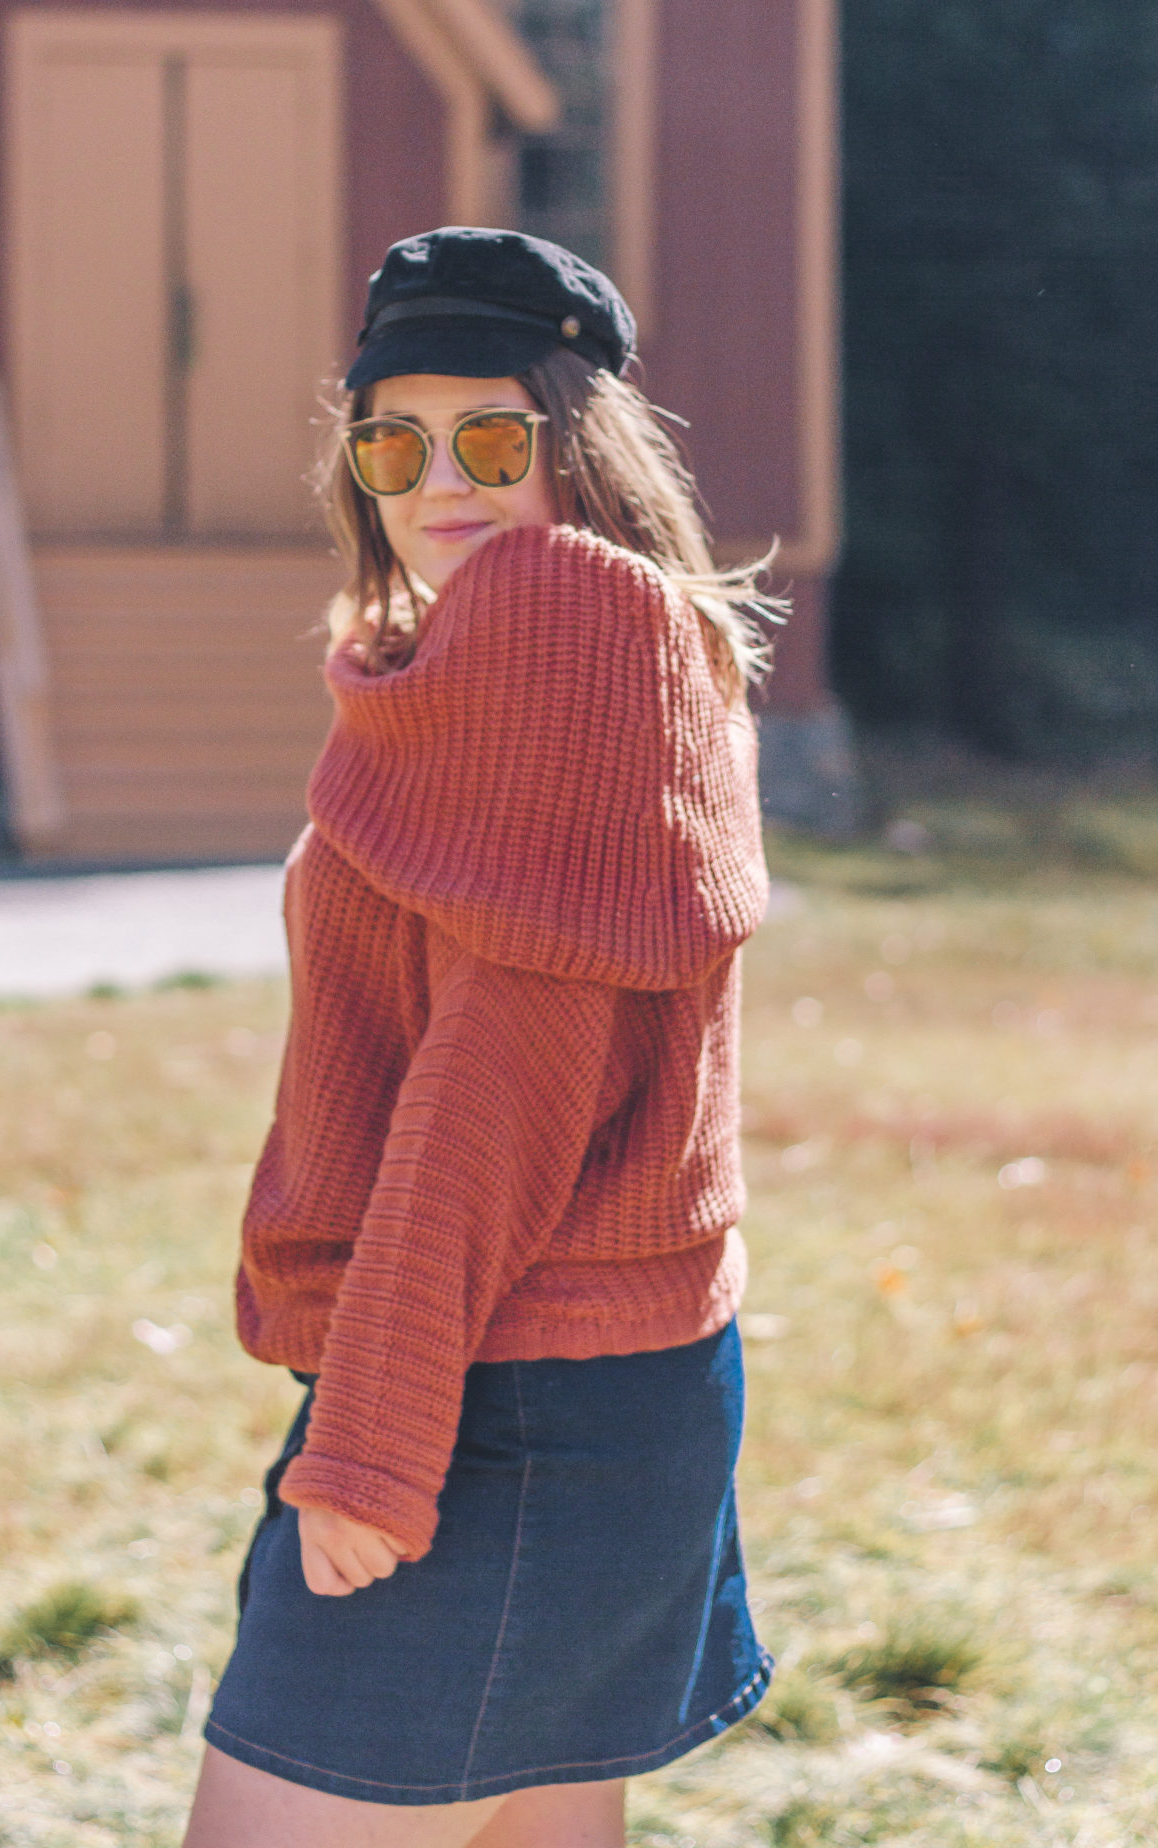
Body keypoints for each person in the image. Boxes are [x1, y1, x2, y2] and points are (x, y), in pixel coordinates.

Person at [183, 227, 777, 1848]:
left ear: (574, 441)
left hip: (502, 1393)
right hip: (589, 1373)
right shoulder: (554, 638)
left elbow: (507, 1067)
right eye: (392, 439)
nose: (439, 475)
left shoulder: (560, 617)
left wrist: (372, 1443)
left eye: (492, 436)